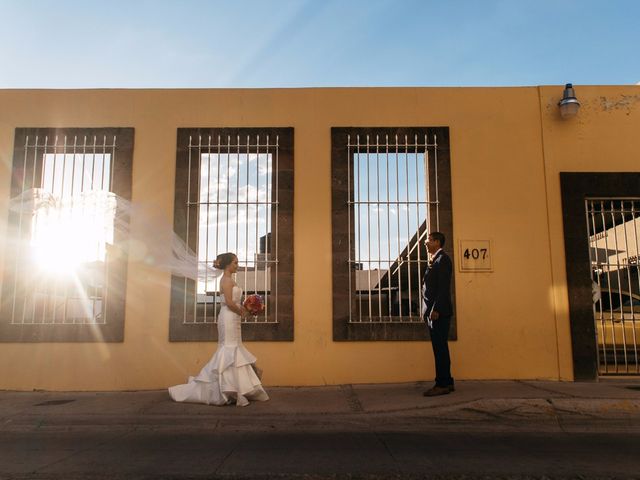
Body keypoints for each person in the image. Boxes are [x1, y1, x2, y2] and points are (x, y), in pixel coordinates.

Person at [169, 252, 269, 406]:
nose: (237, 265)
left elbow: (234, 302)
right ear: (228, 264)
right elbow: (229, 302)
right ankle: (226, 389)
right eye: (235, 263)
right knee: (229, 349)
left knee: (235, 348)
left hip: (233, 318)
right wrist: (242, 312)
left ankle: (234, 388)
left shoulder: (229, 280)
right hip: (228, 317)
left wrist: (248, 308)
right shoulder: (227, 281)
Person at [422, 232, 455, 396]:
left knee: (439, 348)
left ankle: (442, 384)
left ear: (436, 242)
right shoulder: (437, 259)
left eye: (428, 240)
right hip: (436, 312)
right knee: (441, 347)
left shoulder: (442, 260)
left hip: (438, 313)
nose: (426, 243)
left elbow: (443, 288)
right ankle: (447, 381)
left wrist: (436, 309)